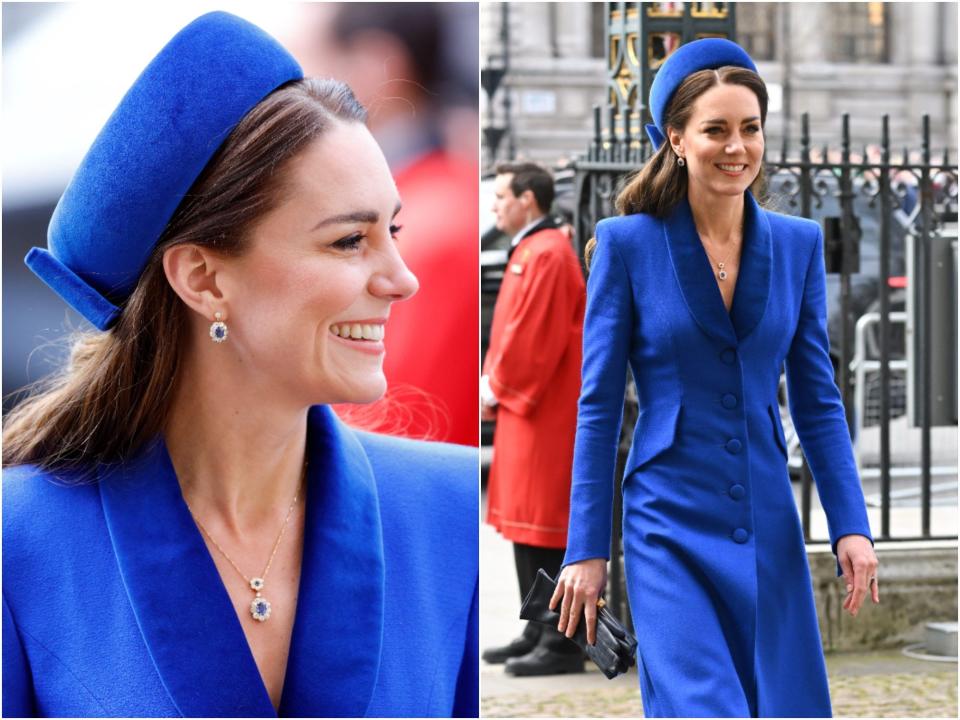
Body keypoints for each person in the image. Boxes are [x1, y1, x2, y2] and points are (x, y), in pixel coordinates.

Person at [2, 12, 477, 718]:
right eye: (350, 240)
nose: (401, 278)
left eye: (393, 231)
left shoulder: (454, 511)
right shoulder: (22, 541)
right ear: (203, 278)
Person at [550, 39, 879, 717]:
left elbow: (817, 402)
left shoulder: (797, 244)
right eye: (716, 130)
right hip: (666, 518)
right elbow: (598, 406)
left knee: (779, 704)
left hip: (766, 515)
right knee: (706, 706)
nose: (738, 147)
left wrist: (852, 525)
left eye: (751, 128)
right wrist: (586, 550)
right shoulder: (627, 244)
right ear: (675, 138)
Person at [481, 162, 586, 676]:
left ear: (528, 199)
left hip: (542, 408)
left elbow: (532, 337)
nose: (495, 205)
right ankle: (537, 625)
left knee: (545, 524)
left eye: (502, 195)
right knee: (528, 523)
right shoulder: (535, 249)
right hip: (530, 408)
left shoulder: (545, 253)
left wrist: (495, 386)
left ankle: (560, 640)